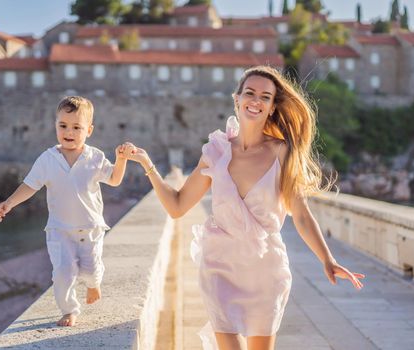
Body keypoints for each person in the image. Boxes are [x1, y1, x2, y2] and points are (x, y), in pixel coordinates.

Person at [119, 66, 364, 350]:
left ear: (272, 107)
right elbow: (177, 206)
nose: (255, 100)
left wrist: (328, 259)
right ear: (237, 99)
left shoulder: (282, 153)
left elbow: (301, 214)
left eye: (265, 96)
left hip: (266, 271)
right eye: (249, 93)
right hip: (219, 267)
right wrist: (148, 165)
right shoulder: (215, 151)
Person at [0, 96, 127, 327]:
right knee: (63, 273)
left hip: (91, 228)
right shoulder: (48, 159)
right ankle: (69, 310)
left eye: (77, 127)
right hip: (59, 230)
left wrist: (121, 159)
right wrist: (10, 202)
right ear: (55, 125)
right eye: (63, 125)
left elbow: (115, 179)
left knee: (91, 271)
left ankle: (93, 284)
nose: (69, 131)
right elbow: (30, 185)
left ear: (89, 130)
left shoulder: (94, 157)